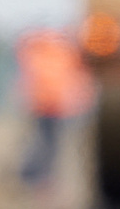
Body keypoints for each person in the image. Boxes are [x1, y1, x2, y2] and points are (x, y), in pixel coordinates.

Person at [15, 26, 95, 191]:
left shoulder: (34, 50)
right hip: (56, 106)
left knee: (43, 142)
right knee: (51, 144)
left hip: (42, 104)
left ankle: (33, 177)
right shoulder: (64, 51)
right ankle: (36, 178)